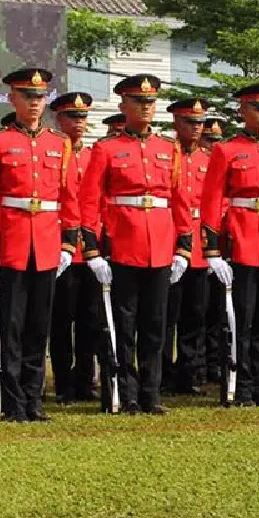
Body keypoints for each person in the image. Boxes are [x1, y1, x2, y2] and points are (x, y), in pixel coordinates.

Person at [0, 69, 78, 423]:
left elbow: (70, 197)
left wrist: (69, 244)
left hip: (46, 243)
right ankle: (10, 400)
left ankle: (33, 399)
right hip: (12, 243)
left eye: (39, 96)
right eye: (27, 96)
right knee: (8, 328)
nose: (34, 102)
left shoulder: (59, 144)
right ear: (12, 98)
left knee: (38, 328)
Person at [78, 74, 192, 415]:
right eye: (138, 102)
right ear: (123, 106)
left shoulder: (168, 149)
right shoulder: (106, 149)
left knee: (155, 326)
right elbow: (89, 201)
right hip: (122, 245)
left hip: (159, 245)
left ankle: (150, 393)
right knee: (121, 325)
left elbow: (180, 199)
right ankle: (122, 392)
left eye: (150, 102)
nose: (145, 107)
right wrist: (92, 249)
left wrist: (184, 247)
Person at [201, 84, 259, 407]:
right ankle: (238, 383)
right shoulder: (226, 150)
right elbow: (212, 198)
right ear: (243, 111)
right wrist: (212, 249)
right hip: (241, 238)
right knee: (240, 315)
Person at [47, 91, 103, 404]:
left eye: (82, 117)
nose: (78, 123)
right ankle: (64, 383)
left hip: (90, 250)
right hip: (59, 246)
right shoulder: (53, 151)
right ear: (59, 119)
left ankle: (86, 380)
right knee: (60, 321)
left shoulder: (94, 154)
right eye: (72, 117)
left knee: (90, 320)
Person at [163, 97, 211, 396]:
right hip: (171, 239)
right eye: (189, 122)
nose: (195, 128)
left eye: (199, 122)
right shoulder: (168, 155)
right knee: (167, 315)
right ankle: (164, 374)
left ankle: (188, 374)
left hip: (201, 243)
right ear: (176, 124)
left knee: (196, 314)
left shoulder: (208, 159)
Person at [200, 117, 229, 383]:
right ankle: (195, 368)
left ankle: (215, 363)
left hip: (226, 242)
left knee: (220, 312)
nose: (213, 144)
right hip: (195, 247)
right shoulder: (187, 159)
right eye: (209, 139)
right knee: (197, 313)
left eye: (218, 140)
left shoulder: (225, 161)